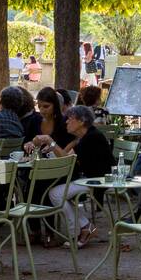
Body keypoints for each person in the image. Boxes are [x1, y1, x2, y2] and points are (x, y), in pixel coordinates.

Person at [38, 105, 113, 247]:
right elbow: (67, 157)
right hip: (91, 179)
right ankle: (85, 227)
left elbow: (67, 159)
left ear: (81, 121)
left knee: (55, 194)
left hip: (99, 181)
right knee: (60, 194)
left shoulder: (91, 137)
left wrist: (51, 142)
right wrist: (53, 147)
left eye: (70, 119)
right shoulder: (86, 136)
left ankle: (78, 231)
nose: (66, 122)